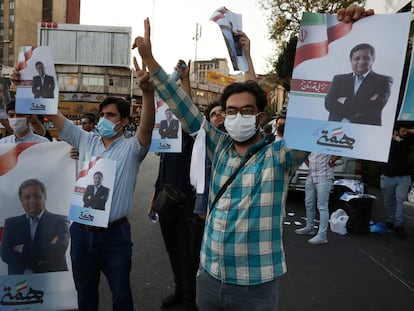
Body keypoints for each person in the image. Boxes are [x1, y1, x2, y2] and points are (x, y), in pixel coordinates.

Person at [134, 5, 372, 310]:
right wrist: (151, 60)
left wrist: (354, 32)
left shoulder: (280, 156)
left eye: (246, 111)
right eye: (230, 111)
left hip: (254, 288)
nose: (236, 117)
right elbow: (180, 104)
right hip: (207, 278)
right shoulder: (217, 146)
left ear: (261, 117)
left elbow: (321, 113)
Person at [12, 56, 155, 309]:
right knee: (85, 293)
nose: (103, 119)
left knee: (121, 294)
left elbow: (147, 125)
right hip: (80, 233)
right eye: (102, 114)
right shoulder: (85, 140)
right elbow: (51, 113)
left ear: (123, 122)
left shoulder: (133, 149)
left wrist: (147, 93)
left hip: (115, 235)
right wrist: (23, 85)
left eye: (110, 115)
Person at [150, 130, 197, 310]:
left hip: (186, 205)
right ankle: (179, 291)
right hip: (166, 204)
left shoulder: (193, 138)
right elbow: (162, 172)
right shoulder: (166, 138)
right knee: (173, 252)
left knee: (187, 256)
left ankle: (190, 299)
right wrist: (154, 199)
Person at [0, 179, 70, 274]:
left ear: (45, 197)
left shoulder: (61, 221)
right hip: (18, 282)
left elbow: (58, 251)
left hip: (52, 281)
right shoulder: (11, 224)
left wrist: (22, 248)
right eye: (27, 197)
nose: (33, 201)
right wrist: (42, 259)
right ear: (21, 201)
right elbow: (5, 254)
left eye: (37, 196)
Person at [324, 43, 393, 126]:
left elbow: (374, 109)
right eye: (357, 58)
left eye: (366, 58)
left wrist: (344, 100)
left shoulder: (383, 81)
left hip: (366, 130)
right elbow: (329, 104)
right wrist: (356, 113)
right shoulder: (339, 79)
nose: (361, 62)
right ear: (351, 60)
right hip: (335, 128)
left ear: (373, 60)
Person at [295, 152, 340, 244]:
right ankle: (310, 227)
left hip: (324, 176)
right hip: (311, 175)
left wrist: (333, 160)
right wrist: (307, 162)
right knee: (308, 202)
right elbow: (303, 151)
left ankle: (322, 235)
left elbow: (341, 149)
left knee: (322, 206)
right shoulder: (313, 140)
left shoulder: (329, 139)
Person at [380, 122, 414, 238]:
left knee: (401, 200)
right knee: (388, 200)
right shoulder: (385, 140)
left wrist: (407, 131)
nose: (404, 132)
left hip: (403, 177)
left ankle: (399, 225)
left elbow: (402, 149)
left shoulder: (407, 139)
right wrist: (394, 138)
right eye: (402, 130)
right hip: (387, 175)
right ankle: (389, 221)